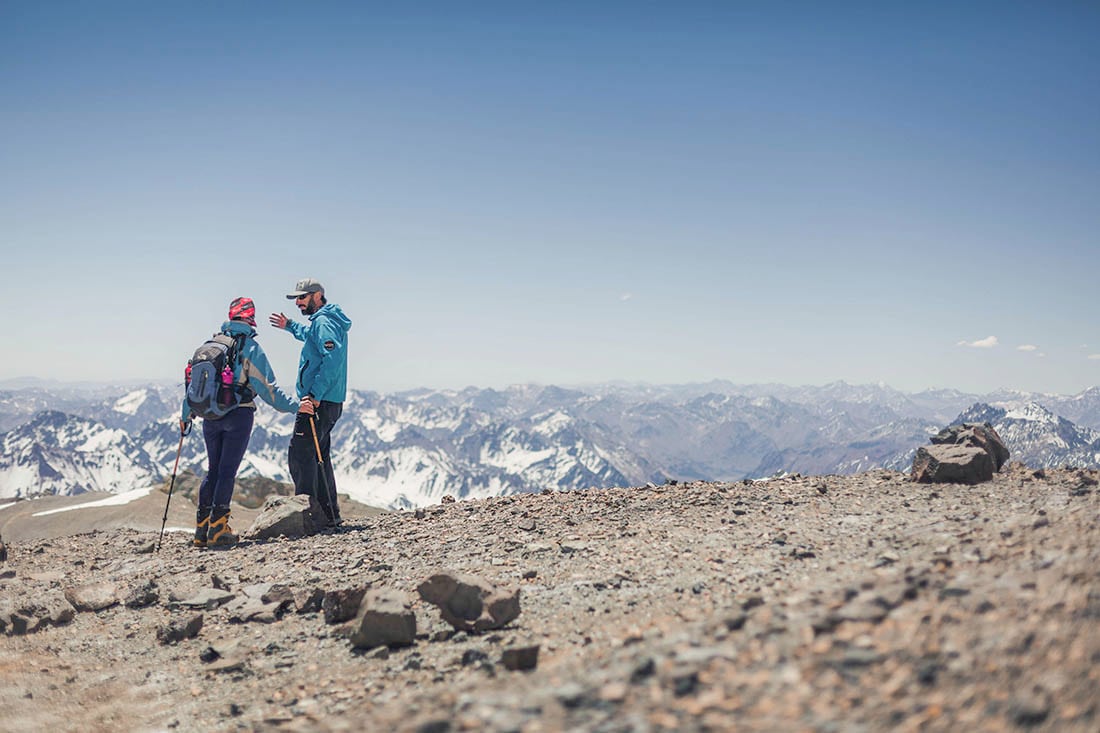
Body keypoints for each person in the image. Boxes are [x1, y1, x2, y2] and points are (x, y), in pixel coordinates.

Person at [181, 297, 297, 548]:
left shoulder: (210, 345)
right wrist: (297, 407)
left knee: (212, 471)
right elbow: (269, 391)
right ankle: (219, 528)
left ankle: (201, 529)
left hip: (209, 417)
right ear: (250, 317)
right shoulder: (249, 348)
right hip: (238, 416)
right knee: (227, 472)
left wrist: (185, 416)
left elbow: (193, 385)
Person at [268, 278, 352, 528]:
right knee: (319, 456)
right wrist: (290, 326)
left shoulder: (324, 322)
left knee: (301, 455)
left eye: (302, 298)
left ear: (317, 296)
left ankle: (306, 518)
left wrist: (314, 395)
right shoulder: (323, 322)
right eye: (296, 299)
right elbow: (310, 336)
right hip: (328, 400)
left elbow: (331, 360)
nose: (298, 303)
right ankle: (329, 514)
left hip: (318, 402)